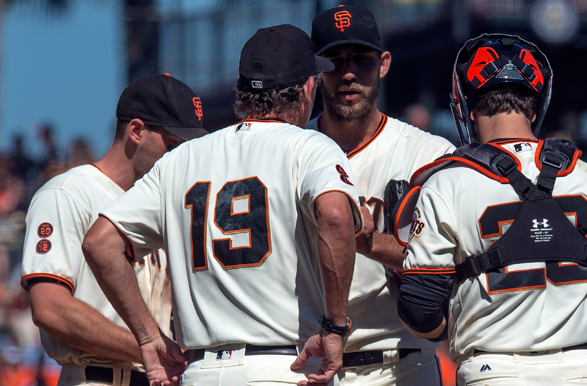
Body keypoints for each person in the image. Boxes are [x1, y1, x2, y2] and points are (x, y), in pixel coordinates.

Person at [82, 24, 362, 386]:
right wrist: (335, 325)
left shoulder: (181, 159)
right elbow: (336, 216)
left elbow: (100, 243)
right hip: (285, 369)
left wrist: (149, 337)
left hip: (200, 371)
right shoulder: (309, 146)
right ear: (308, 89)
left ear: (242, 91)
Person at [395, 34, 587, 385]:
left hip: (493, 370)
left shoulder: (446, 185)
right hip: (583, 369)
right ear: (534, 107)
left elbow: (420, 310)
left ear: (468, 107)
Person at [20, 73, 208, 386]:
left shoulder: (162, 206)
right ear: (136, 131)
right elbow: (49, 307)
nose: (179, 157)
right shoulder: (68, 193)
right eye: (172, 144)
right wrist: (147, 346)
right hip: (95, 378)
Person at [308, 6, 455, 385]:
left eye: (362, 59)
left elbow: (450, 267)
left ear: (384, 63)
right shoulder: (290, 151)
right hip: (308, 365)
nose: (349, 73)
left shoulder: (429, 155)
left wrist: (367, 241)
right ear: (314, 71)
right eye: (334, 62)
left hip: (401, 364)